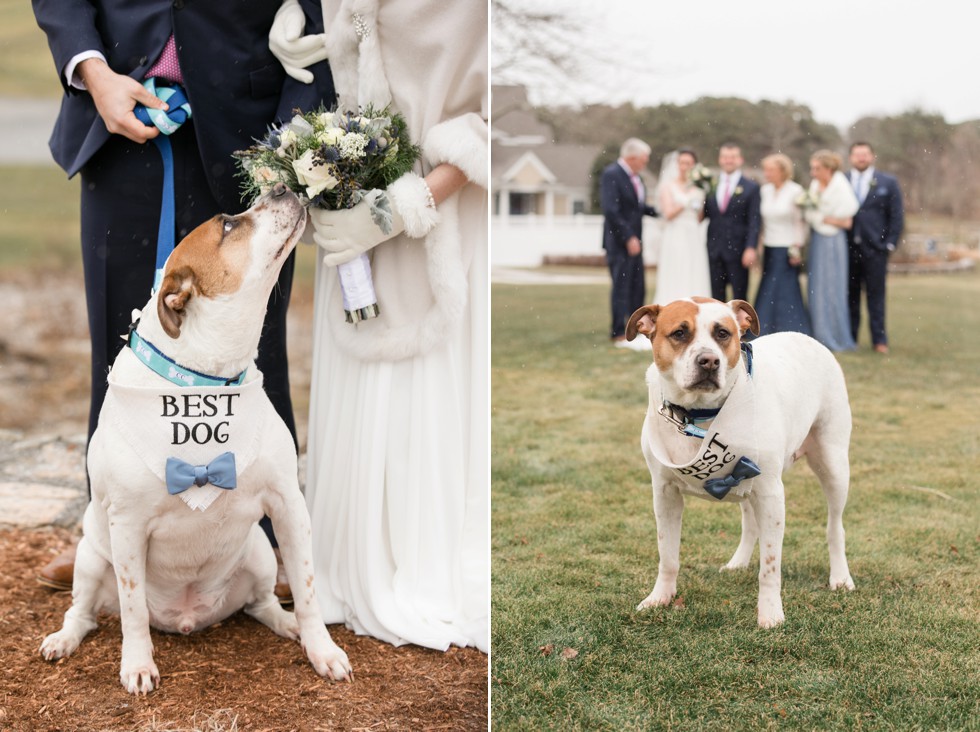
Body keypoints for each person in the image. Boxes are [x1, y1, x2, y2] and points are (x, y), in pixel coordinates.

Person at [30, 0, 323, 594]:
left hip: (249, 130)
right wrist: (93, 72)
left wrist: (293, 138)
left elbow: (319, 13)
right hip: (116, 115)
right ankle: (109, 542)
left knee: (253, 347)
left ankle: (263, 541)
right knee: (119, 347)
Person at [269, 1, 488, 652]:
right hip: (352, 203)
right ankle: (341, 560)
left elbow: (499, 120)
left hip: (446, 212)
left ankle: (423, 557)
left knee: (425, 373)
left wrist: (409, 202)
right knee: (362, 348)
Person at [846, 142, 904, 354]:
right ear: (851, 157)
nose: (861, 158)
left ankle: (879, 340)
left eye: (865, 154)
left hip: (876, 250)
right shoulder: (842, 180)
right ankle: (850, 338)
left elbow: (896, 216)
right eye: (857, 154)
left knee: (876, 296)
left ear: (872, 156)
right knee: (850, 296)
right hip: (847, 248)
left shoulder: (888, 182)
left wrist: (889, 243)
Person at [600, 138, 658, 348]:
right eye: (644, 159)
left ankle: (636, 329)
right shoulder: (612, 174)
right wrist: (628, 237)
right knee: (621, 287)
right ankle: (617, 331)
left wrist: (661, 213)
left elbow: (639, 207)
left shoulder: (636, 178)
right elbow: (611, 211)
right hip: (620, 243)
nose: (645, 163)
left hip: (636, 242)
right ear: (632, 157)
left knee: (637, 287)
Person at [803, 150, 859, 352]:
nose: (813, 172)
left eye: (817, 168)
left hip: (833, 241)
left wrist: (826, 219)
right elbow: (811, 212)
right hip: (818, 239)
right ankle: (819, 332)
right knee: (817, 286)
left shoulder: (840, 186)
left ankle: (835, 334)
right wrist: (819, 218)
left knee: (833, 286)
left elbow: (847, 220)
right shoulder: (815, 186)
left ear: (828, 169)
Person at [754, 153, 811, 336]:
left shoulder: (795, 191)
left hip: (788, 247)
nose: (767, 173)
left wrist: (797, 248)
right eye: (765, 170)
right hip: (769, 246)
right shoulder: (765, 191)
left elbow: (800, 222)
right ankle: (765, 327)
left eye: (771, 170)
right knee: (768, 287)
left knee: (786, 289)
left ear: (782, 171)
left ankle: (791, 326)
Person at [703, 143, 761, 301]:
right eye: (725, 157)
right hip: (714, 249)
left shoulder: (751, 187)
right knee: (716, 298)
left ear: (740, 160)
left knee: (740, 298)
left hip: (739, 250)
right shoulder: (710, 185)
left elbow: (754, 221)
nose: (728, 160)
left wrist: (750, 248)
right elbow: (706, 214)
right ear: (720, 160)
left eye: (732, 157)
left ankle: (741, 327)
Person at [653, 149, 711, 305]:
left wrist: (697, 203)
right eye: (682, 162)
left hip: (693, 233)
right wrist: (686, 202)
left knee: (694, 270)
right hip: (675, 233)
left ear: (694, 166)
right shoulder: (668, 186)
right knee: (676, 270)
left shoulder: (699, 188)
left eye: (688, 163)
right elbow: (668, 214)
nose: (685, 166)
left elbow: (699, 217)